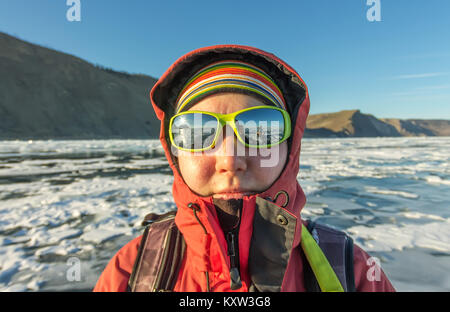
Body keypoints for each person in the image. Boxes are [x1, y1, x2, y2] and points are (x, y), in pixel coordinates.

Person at [93, 44, 395, 292]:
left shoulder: (352, 272)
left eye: (261, 130)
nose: (230, 160)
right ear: (174, 152)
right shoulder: (132, 271)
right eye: (198, 133)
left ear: (290, 148)